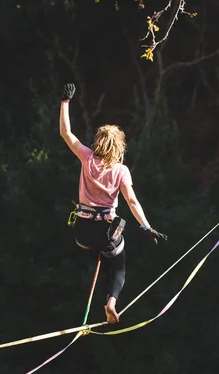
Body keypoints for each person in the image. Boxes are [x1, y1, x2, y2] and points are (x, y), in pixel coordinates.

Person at [59, 83, 167, 324]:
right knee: (118, 266)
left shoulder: (86, 158)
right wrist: (147, 227)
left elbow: (66, 134)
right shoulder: (121, 171)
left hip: (83, 231)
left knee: (104, 258)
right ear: (119, 147)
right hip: (107, 230)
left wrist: (65, 102)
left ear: (98, 143)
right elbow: (132, 201)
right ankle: (111, 302)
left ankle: (104, 297)